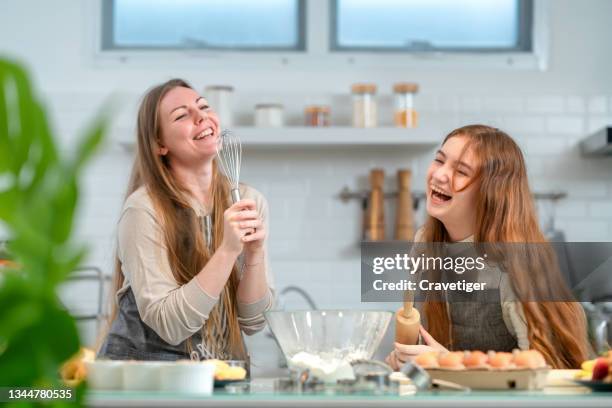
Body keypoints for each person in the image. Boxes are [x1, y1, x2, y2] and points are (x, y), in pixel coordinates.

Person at [386, 124, 589, 369]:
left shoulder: (515, 263)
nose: (439, 175)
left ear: (491, 192)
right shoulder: (425, 244)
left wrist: (446, 361)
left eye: (461, 171)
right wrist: (405, 361)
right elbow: (426, 348)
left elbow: (546, 372)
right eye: (439, 161)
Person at [98, 79, 273, 361]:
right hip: (145, 382)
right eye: (181, 115)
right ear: (160, 145)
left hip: (219, 377)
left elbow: (254, 322)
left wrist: (254, 254)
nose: (201, 116)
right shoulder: (144, 209)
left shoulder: (248, 200)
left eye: (203, 106)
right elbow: (170, 325)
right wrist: (228, 250)